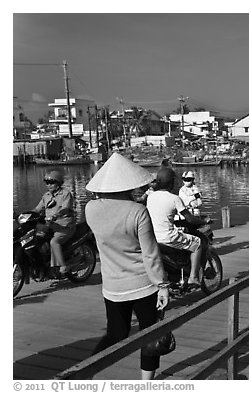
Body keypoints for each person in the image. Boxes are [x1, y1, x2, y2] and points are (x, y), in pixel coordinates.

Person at [84, 153, 169, 380]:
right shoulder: (137, 211)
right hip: (143, 284)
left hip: (112, 285)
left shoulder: (90, 209)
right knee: (150, 334)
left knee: (115, 333)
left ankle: (87, 372)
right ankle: (145, 384)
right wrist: (162, 285)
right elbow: (150, 254)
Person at [147, 167, 209, 288]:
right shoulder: (174, 198)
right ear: (172, 182)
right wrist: (202, 221)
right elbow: (189, 219)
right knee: (198, 243)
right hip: (169, 238)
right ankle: (193, 277)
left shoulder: (151, 197)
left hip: (154, 237)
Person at [32, 169, 76, 277]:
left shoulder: (66, 194)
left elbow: (66, 208)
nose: (49, 185)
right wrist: (25, 215)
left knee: (54, 242)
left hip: (65, 226)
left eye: (52, 182)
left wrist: (56, 215)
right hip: (50, 226)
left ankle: (62, 266)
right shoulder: (46, 196)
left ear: (59, 183)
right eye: (47, 183)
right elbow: (37, 209)